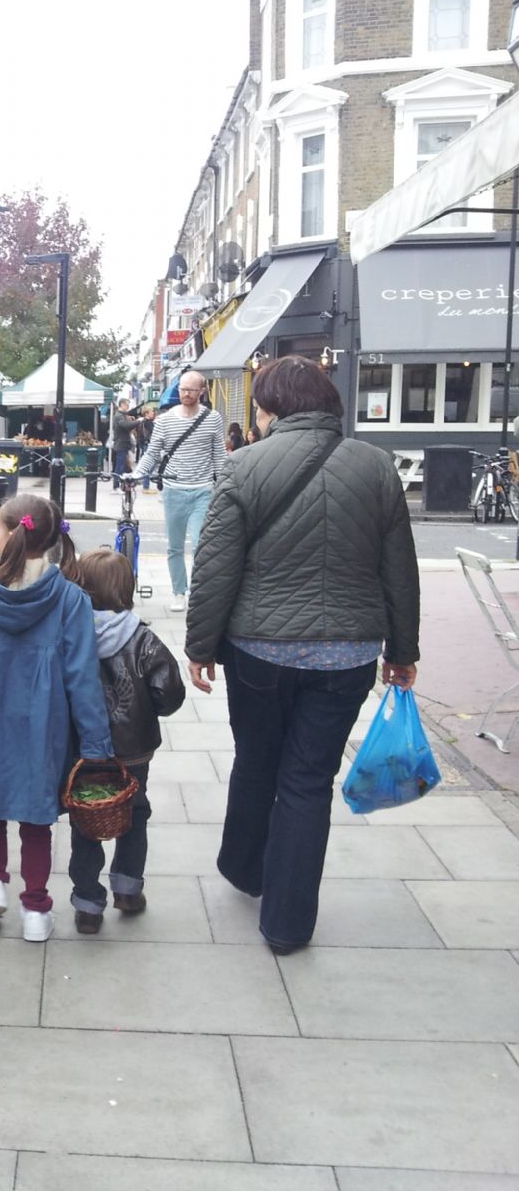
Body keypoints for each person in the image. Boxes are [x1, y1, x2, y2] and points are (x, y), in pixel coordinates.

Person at [184, 356, 420, 955]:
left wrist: (200, 645)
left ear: (270, 410)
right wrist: (403, 649)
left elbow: (216, 568)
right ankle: (287, 926)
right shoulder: (376, 468)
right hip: (347, 656)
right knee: (309, 781)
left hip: (259, 650)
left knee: (257, 759)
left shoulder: (243, 467)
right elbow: (399, 569)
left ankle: (245, 867)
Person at [0, 494, 113, 942]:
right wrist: (96, 745)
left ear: (6, 534)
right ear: (53, 539)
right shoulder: (72, 601)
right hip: (44, 725)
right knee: (37, 818)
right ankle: (36, 909)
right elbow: (82, 679)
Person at [68, 549, 185, 934]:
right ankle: (128, 888)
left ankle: (87, 903)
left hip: (84, 750)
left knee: (86, 819)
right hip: (133, 749)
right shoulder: (143, 640)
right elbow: (169, 694)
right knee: (134, 813)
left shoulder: (71, 634)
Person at [127, 371, 225, 612]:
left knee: (200, 545)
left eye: (191, 390)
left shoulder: (213, 419)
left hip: (203, 490)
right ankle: (178, 592)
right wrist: (137, 475)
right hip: (173, 490)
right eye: (182, 389)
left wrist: (224, 484)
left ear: (202, 391)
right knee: (174, 547)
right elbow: (152, 453)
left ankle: (198, 593)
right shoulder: (165, 420)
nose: (186, 394)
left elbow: (219, 455)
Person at [110, 397, 142, 489]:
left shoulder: (122, 415)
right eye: (127, 405)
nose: (128, 407)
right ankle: (116, 487)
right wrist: (137, 421)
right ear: (122, 405)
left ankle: (121, 485)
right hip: (121, 444)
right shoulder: (119, 416)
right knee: (119, 466)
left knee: (122, 466)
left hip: (123, 444)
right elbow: (125, 426)